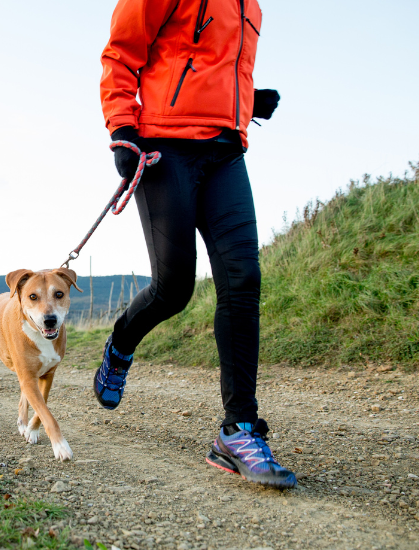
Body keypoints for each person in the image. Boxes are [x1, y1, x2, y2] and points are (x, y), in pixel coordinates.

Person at [92, 0, 295, 488]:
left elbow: (213, 63)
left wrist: (246, 100)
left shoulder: (252, 8)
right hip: (165, 146)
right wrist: (122, 128)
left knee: (243, 279)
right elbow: (121, 54)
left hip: (226, 152)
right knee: (174, 288)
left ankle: (238, 430)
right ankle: (120, 345)